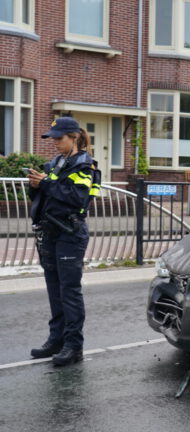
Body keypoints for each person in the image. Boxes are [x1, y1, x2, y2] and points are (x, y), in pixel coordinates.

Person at [27, 117, 101, 366]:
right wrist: (36, 184)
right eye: (53, 139)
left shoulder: (85, 166)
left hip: (70, 232)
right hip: (51, 232)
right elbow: (47, 194)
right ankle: (56, 340)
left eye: (59, 138)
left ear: (74, 137)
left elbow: (76, 198)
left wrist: (46, 183)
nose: (55, 143)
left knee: (69, 291)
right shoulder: (56, 163)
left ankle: (73, 346)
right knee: (54, 289)